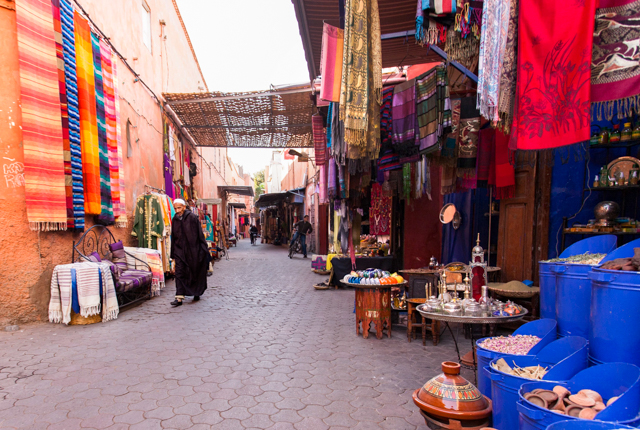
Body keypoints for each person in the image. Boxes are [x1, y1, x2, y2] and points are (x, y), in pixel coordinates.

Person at [170, 199, 212, 307]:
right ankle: (179, 297)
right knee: (179, 273)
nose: (177, 210)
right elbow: (173, 237)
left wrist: (203, 251)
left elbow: (199, 235)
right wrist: (173, 254)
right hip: (179, 251)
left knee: (194, 272)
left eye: (179, 208)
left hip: (193, 251)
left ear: (184, 207)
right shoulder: (175, 219)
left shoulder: (192, 218)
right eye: (175, 208)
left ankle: (196, 292)